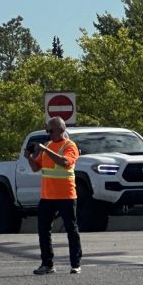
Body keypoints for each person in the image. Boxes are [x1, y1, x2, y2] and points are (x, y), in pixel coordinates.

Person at [26, 116, 83, 274]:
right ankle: (47, 264)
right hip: (47, 196)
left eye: (50, 130)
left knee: (71, 229)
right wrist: (29, 157)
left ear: (61, 130)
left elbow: (65, 163)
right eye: (47, 130)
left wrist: (45, 150)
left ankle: (75, 263)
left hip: (66, 195)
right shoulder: (48, 145)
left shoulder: (69, 145)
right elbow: (36, 168)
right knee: (43, 230)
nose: (48, 133)